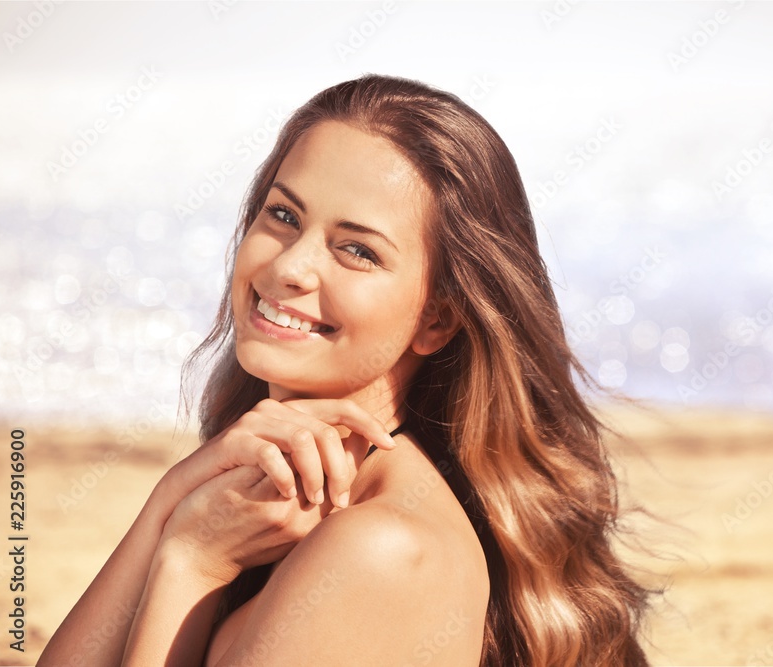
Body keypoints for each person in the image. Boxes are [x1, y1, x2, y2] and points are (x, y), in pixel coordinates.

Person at [39, 74, 652, 666]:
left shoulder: (379, 549)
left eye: (357, 250)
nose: (291, 268)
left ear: (437, 320)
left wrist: (190, 560)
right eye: (283, 216)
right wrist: (169, 502)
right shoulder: (271, 494)